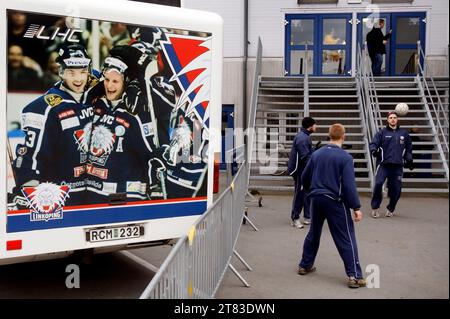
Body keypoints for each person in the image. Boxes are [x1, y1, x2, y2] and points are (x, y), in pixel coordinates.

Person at [10, 44, 97, 207]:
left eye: (83, 72)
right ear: (61, 71)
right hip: (59, 195)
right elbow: (30, 155)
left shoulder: (93, 95)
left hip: (92, 192)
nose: (78, 79)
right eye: (71, 72)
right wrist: (29, 189)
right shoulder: (46, 107)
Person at [298, 123, 366, 289]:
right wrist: (356, 207)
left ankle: (305, 265)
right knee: (346, 237)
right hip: (335, 201)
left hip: (316, 199)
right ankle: (354, 276)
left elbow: (305, 177)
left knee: (314, 232)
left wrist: (312, 190)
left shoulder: (317, 154)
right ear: (344, 136)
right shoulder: (346, 158)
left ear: (329, 136)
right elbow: (349, 186)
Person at [85, 54, 158, 204]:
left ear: (125, 82)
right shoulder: (95, 104)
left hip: (124, 195)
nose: (109, 86)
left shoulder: (135, 110)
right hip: (94, 193)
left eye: (115, 81)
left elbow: (149, 154)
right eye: (106, 80)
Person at [370, 111, 413, 218]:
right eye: (390, 118)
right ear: (387, 120)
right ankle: (375, 208)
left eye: (394, 117)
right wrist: (374, 150)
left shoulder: (404, 134)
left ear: (397, 119)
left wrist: (409, 160)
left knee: (396, 190)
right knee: (379, 184)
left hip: (397, 166)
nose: (393, 119)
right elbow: (374, 144)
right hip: (383, 165)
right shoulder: (382, 132)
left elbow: (408, 149)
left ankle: (391, 208)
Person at [287, 117, 317, 228]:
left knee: (307, 192)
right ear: (310, 126)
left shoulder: (305, 136)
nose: (316, 127)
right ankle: (295, 218)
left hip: (303, 169)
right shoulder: (302, 138)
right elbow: (305, 157)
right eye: (315, 125)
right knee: (300, 194)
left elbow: (307, 153)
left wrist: (315, 151)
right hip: (299, 171)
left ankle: (307, 216)